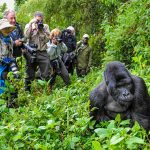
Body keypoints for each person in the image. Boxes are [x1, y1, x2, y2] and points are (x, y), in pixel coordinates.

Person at [24, 11, 50, 91]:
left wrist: (41, 30)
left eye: (40, 20)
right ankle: (27, 90)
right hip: (32, 52)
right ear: (34, 18)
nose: (39, 22)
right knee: (29, 72)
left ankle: (45, 89)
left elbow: (47, 40)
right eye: (37, 20)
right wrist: (31, 26)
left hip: (42, 52)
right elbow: (26, 36)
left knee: (46, 71)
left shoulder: (45, 27)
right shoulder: (29, 25)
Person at [0, 19, 18, 107]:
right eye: (4, 28)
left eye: (8, 28)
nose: (6, 30)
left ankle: (12, 103)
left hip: (9, 63)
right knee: (2, 82)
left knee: (13, 80)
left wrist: (11, 61)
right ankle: (3, 104)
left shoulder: (10, 39)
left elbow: (11, 52)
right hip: (1, 65)